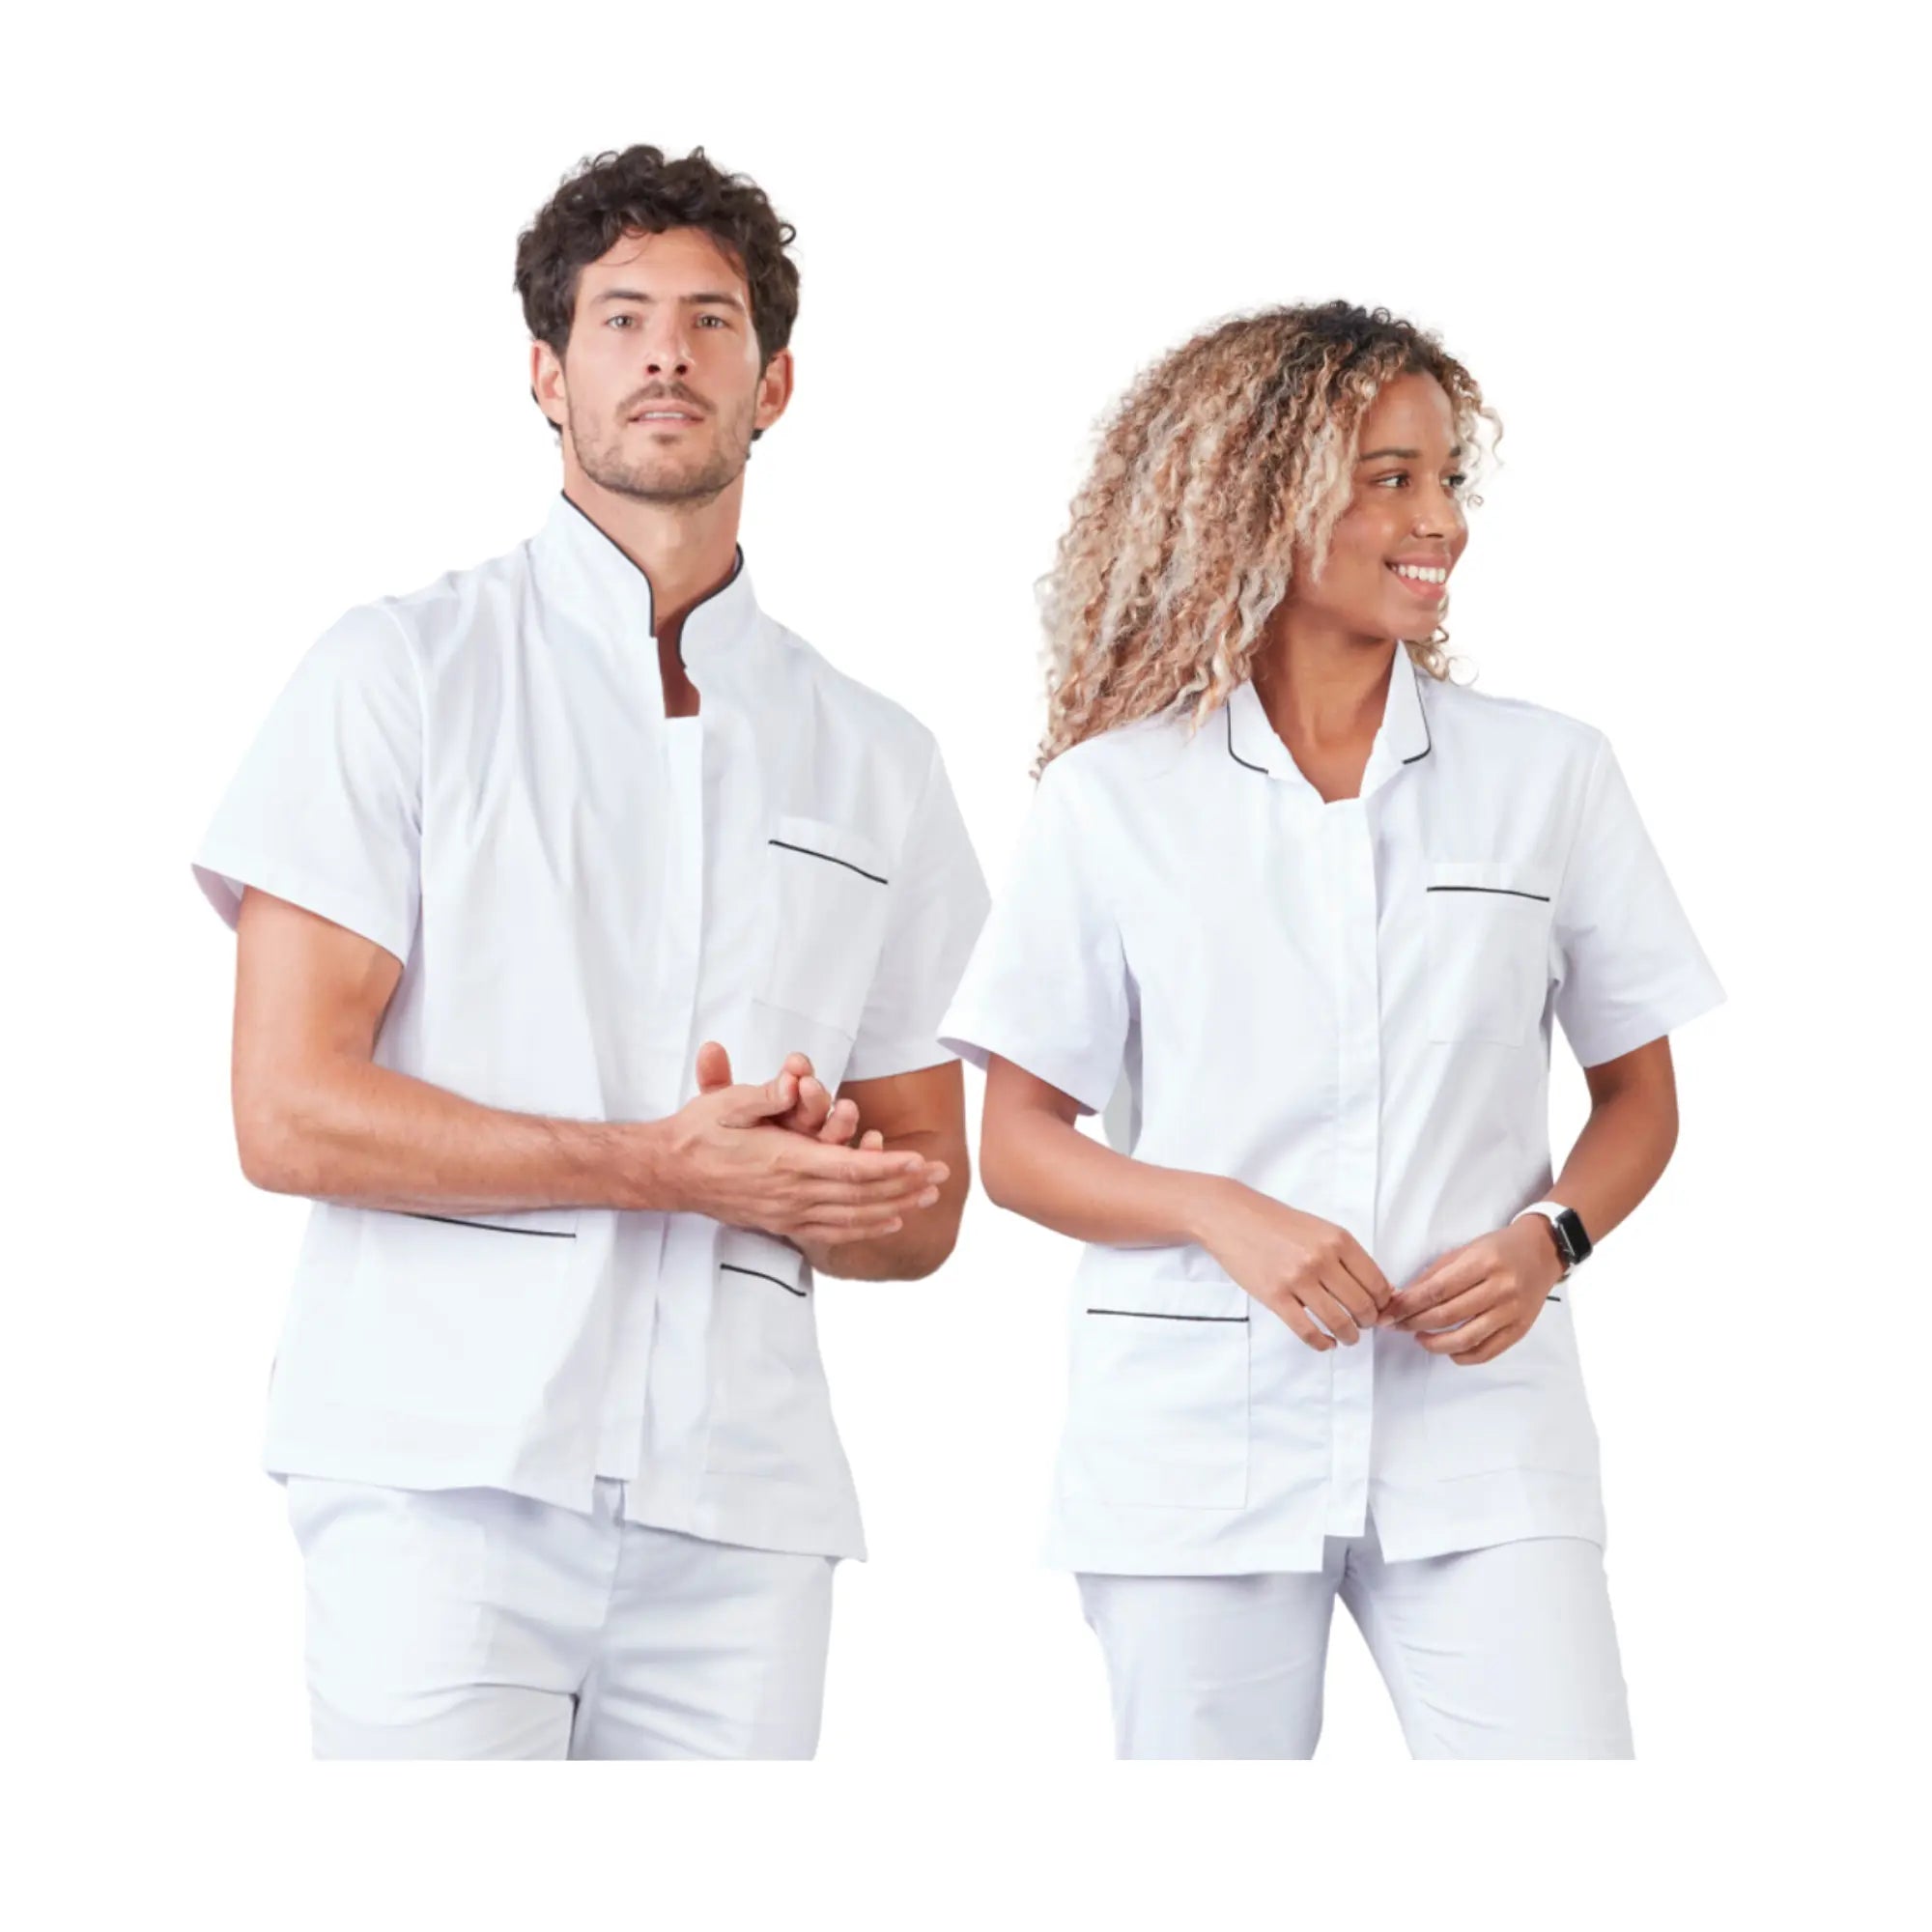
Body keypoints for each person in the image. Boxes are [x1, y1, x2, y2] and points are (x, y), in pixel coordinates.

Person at [190, 144, 989, 1758]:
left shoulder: (877, 757)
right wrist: (664, 1167)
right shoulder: (401, 675)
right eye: (621, 319)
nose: (666, 355)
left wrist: (830, 1181)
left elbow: (930, 1206)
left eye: (710, 321)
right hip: (439, 1475)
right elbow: (286, 1112)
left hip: (742, 1506)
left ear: (774, 386)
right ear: (548, 377)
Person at [936, 300, 1724, 1759]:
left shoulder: (1547, 776)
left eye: (1448, 479)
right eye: (1390, 479)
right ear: (1263, 497)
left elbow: (1640, 1095)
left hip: (1482, 1437)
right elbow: (1020, 1149)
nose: (1443, 523)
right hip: (1194, 1439)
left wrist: (1548, 1238)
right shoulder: (1113, 800)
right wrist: (1217, 1211)